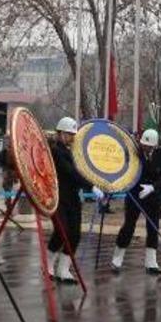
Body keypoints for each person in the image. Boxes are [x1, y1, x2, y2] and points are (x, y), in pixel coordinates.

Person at [48, 117, 104, 283]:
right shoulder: (56, 151)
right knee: (61, 230)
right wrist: (91, 186)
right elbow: (70, 172)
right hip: (58, 198)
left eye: (73, 135)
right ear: (60, 133)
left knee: (75, 234)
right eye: (68, 134)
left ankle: (63, 269)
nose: (71, 138)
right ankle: (49, 264)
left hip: (73, 198)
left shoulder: (70, 151)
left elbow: (78, 172)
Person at [112, 129, 161, 274]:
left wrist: (153, 187)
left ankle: (151, 261)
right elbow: (125, 170)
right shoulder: (134, 152)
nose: (147, 149)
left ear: (155, 146)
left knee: (153, 227)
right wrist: (126, 184)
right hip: (134, 194)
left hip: (152, 194)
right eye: (145, 145)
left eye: (150, 147)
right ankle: (118, 256)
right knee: (129, 226)